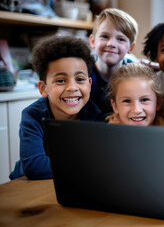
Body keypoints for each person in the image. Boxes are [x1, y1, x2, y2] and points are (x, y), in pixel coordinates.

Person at [9, 36, 104, 180]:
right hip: (27, 186)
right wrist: (89, 164)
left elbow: (104, 159)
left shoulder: (95, 114)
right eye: (60, 80)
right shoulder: (32, 116)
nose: (72, 87)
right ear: (43, 88)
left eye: (80, 79)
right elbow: (34, 166)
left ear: (89, 84)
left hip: (71, 182)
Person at [89, 8, 138, 117]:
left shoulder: (135, 75)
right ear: (93, 41)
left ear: (131, 47)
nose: (111, 44)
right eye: (105, 37)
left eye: (120, 39)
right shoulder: (83, 73)